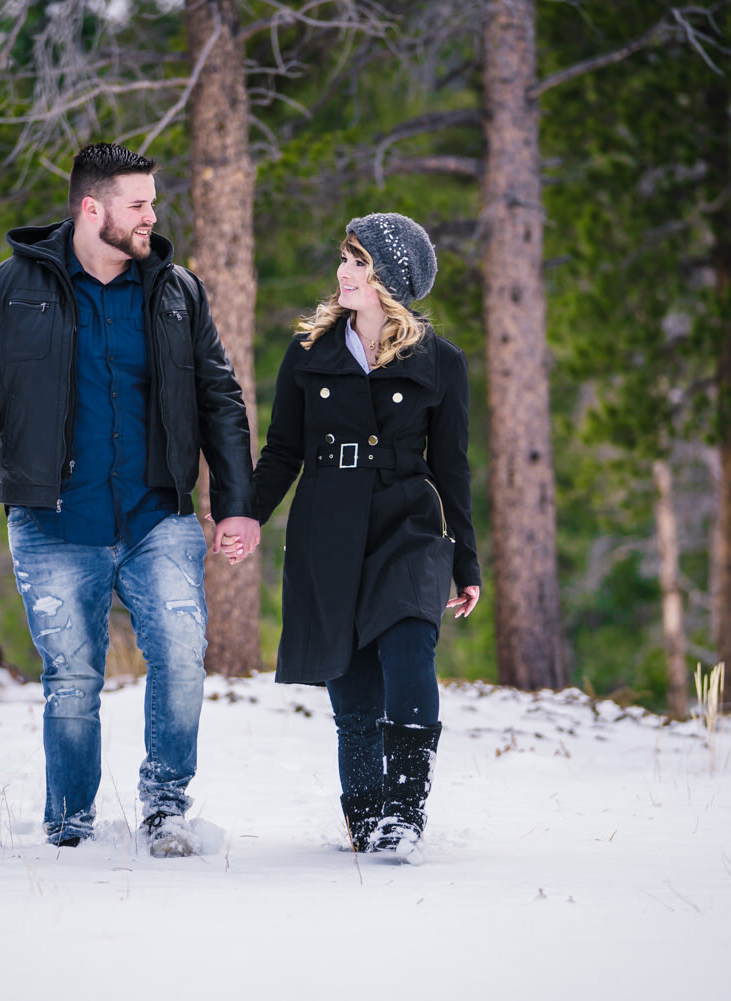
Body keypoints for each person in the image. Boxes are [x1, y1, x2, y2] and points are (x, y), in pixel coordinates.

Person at [0, 142, 260, 857]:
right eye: (138, 204)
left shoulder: (178, 292)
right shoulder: (10, 289)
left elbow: (220, 400)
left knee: (180, 653)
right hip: (53, 521)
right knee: (72, 675)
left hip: (156, 515)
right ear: (91, 208)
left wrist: (236, 502)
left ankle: (167, 807)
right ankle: (70, 820)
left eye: (152, 203)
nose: (152, 216)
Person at [239, 212, 481, 861]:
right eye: (344, 259)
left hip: (408, 523)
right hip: (327, 528)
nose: (343, 272)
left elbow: (453, 466)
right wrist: (246, 516)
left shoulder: (441, 362)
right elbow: (284, 450)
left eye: (358, 263)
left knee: (409, 651)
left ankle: (403, 815)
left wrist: (468, 563)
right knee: (352, 691)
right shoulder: (309, 353)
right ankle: (367, 818)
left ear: (389, 281)